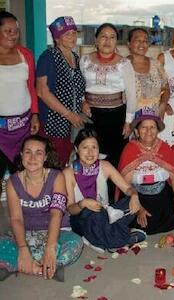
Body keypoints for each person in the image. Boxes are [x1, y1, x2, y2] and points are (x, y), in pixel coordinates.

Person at [0, 135, 83, 281]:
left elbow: (56, 215)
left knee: (75, 243)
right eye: (28, 152)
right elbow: (16, 219)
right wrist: (23, 249)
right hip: (28, 234)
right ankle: (39, 266)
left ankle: (32, 263)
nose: (32, 157)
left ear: (45, 157)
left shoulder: (57, 177)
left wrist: (51, 248)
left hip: (57, 232)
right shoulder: (12, 182)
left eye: (38, 153)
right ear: (21, 155)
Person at [64, 129, 146, 253]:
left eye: (94, 147)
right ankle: (121, 238)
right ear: (76, 149)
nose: (90, 152)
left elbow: (127, 188)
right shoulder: (68, 172)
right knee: (94, 214)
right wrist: (83, 203)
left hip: (106, 213)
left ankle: (99, 238)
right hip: (83, 219)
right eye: (85, 147)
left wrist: (134, 195)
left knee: (131, 201)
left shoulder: (105, 165)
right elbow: (70, 209)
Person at [80, 23, 137, 169]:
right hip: (91, 116)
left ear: (116, 41)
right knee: (90, 156)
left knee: (115, 160)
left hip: (116, 117)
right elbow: (79, 85)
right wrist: (82, 101)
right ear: (96, 40)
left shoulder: (124, 64)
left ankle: (113, 191)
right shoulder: (85, 60)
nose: (107, 41)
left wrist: (128, 122)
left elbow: (131, 94)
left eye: (112, 37)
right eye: (103, 36)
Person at [119, 107, 174, 234]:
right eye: (144, 127)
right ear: (136, 131)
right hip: (137, 196)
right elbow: (125, 185)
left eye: (152, 127)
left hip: (161, 194)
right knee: (138, 224)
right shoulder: (130, 149)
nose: (148, 131)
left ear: (157, 130)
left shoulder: (164, 148)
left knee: (172, 221)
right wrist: (139, 208)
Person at [36, 16, 86, 166]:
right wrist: (69, 114)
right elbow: (42, 92)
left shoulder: (76, 58)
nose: (73, 37)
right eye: (67, 34)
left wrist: (83, 103)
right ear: (57, 38)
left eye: (74, 32)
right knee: (52, 165)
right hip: (54, 122)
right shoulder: (48, 57)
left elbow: (77, 88)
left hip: (72, 124)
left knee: (67, 164)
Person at [0, 11, 39, 182]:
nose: (13, 34)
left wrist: (35, 115)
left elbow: (31, 88)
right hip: (0, 128)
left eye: (15, 30)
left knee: (22, 175)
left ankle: (23, 208)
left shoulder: (26, 54)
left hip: (23, 125)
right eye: (7, 30)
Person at [127, 28, 169, 117]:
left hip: (153, 119)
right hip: (129, 121)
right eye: (137, 40)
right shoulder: (122, 65)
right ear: (129, 44)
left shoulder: (156, 64)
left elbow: (166, 88)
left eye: (145, 41)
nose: (142, 44)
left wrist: (163, 104)